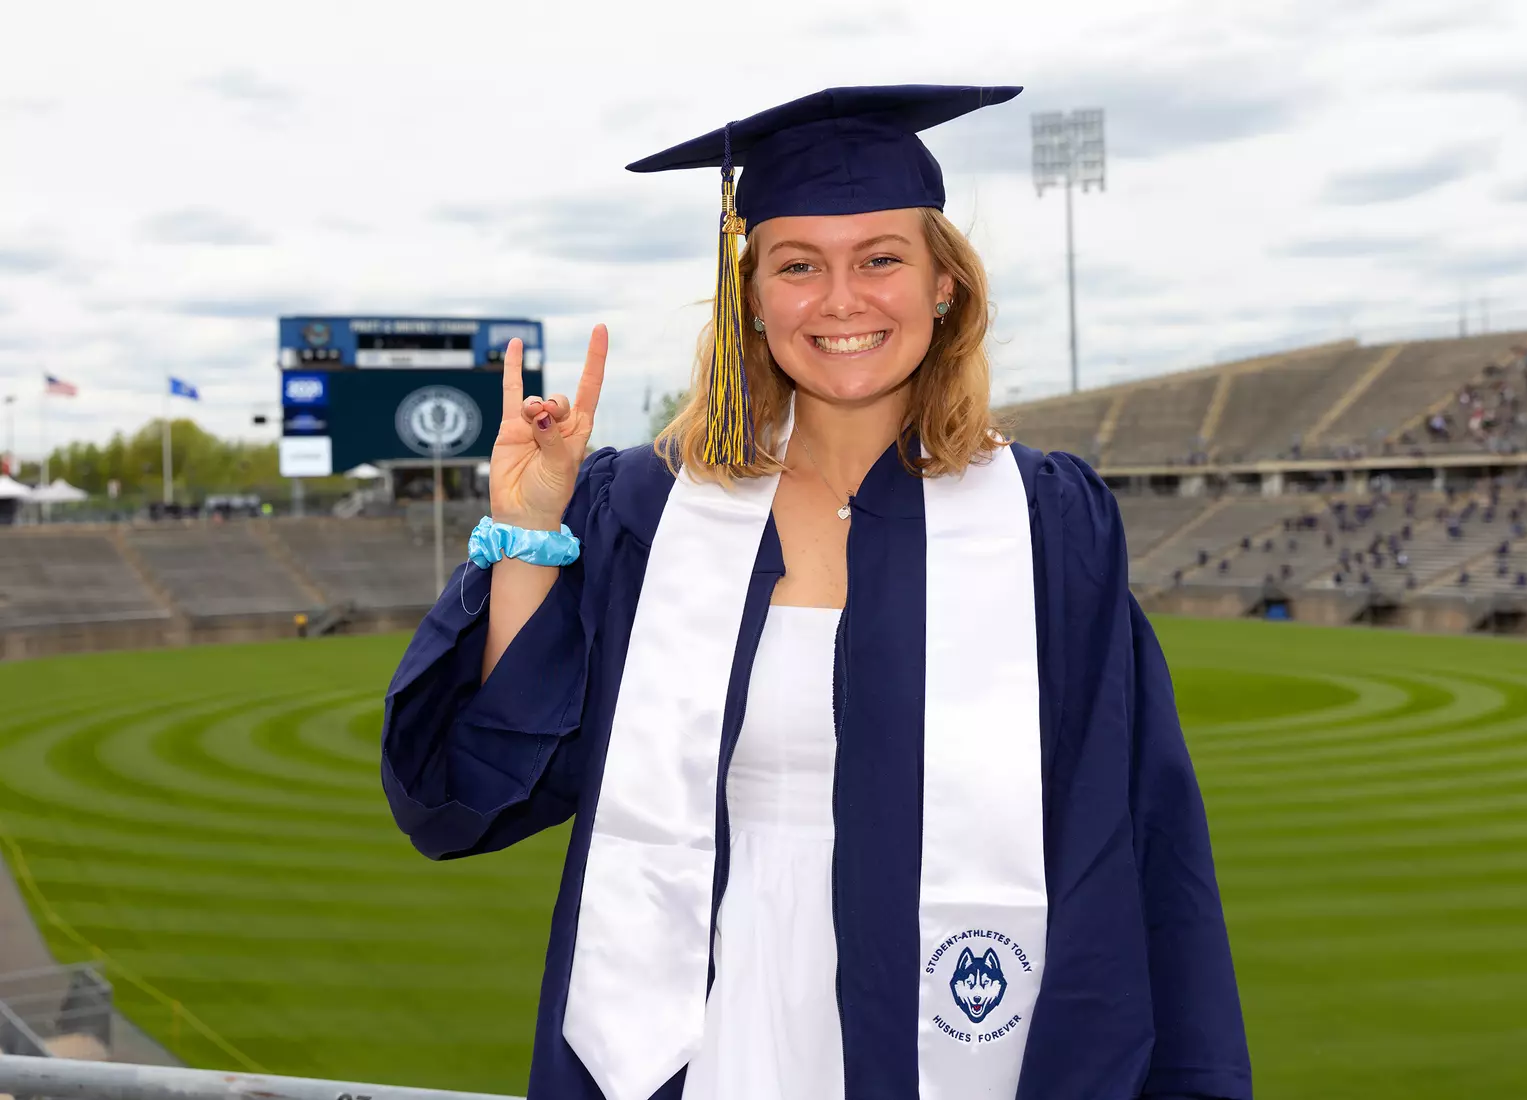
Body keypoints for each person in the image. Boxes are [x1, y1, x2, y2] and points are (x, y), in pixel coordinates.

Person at [380, 85, 1249, 1100]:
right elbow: (479, 782)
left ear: (944, 287)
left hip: (948, 1026)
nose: (842, 300)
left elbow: (1140, 830)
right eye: (798, 265)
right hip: (695, 1033)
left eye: (881, 257)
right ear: (751, 293)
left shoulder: (1044, 523)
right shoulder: (650, 512)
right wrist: (528, 532)